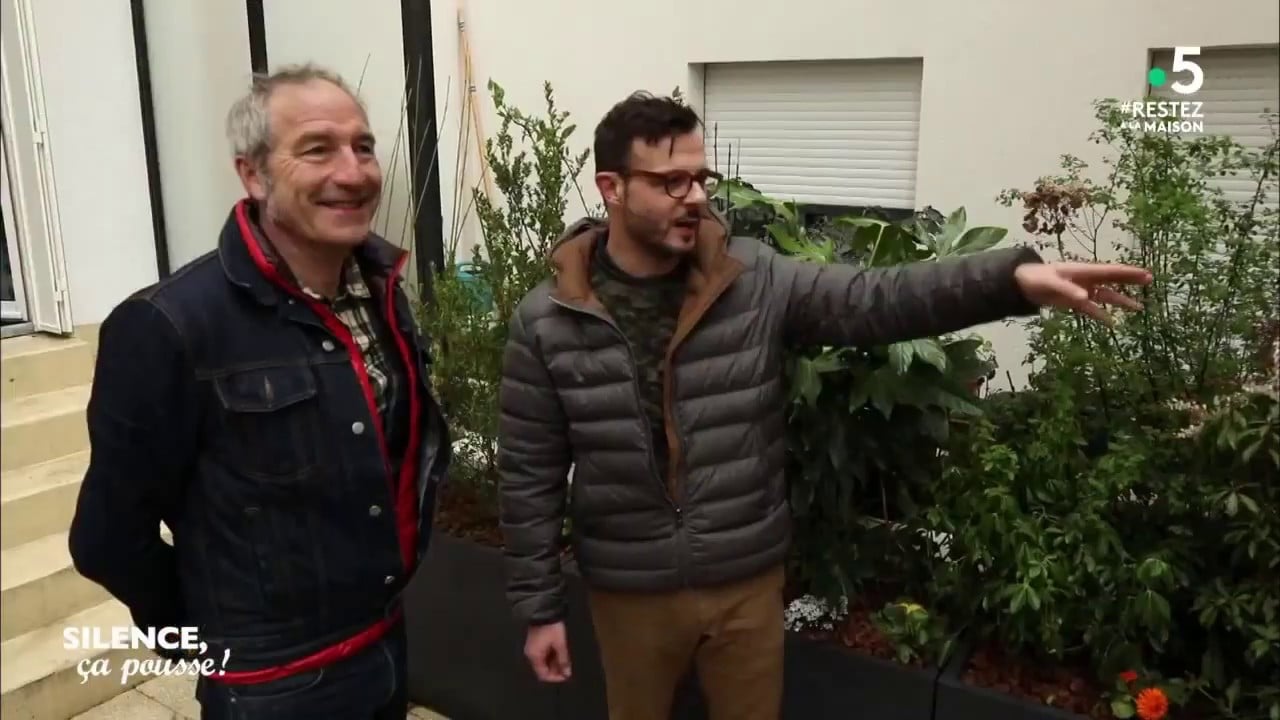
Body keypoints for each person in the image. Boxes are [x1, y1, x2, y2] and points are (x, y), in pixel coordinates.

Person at [496, 91, 1151, 720]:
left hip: (744, 580)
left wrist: (1008, 281)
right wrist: (538, 608)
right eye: (672, 182)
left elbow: (876, 298)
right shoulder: (549, 321)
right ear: (612, 188)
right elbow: (530, 473)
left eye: (702, 178)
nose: (695, 197)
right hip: (629, 589)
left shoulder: (753, 280)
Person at [68, 64, 451, 720]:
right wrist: (212, 638)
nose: (354, 172)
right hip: (269, 686)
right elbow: (106, 536)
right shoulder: (170, 327)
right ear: (252, 175)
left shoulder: (381, 293)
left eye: (363, 146)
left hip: (385, 645)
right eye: (317, 149)